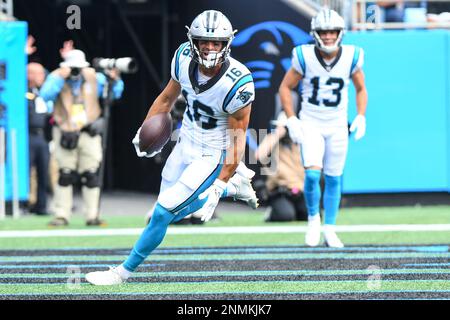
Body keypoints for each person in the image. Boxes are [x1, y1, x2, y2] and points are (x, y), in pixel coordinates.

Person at [85, 10, 258, 285]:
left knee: (163, 212)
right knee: (165, 213)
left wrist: (220, 179)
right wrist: (145, 129)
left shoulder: (238, 82)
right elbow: (166, 99)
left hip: (212, 153)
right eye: (204, 41)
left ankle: (121, 273)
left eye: (216, 43)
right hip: (185, 141)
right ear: (194, 42)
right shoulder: (183, 58)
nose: (210, 48)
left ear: (227, 43)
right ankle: (233, 189)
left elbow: (237, 138)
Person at [278, 9, 368, 248]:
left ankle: (330, 228)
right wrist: (292, 118)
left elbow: (361, 88)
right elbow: (285, 88)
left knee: (334, 178)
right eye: (323, 32)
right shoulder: (304, 56)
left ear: (340, 33)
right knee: (312, 174)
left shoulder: (352, 56)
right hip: (311, 122)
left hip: (338, 124)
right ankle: (313, 219)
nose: (328, 36)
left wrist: (360, 115)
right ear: (315, 34)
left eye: (332, 32)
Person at [39, 49, 124, 226]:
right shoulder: (57, 77)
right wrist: (60, 77)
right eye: (73, 68)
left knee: (91, 174)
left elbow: (115, 94)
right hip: (65, 131)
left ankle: (92, 215)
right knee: (65, 174)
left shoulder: (94, 78)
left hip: (89, 131)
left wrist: (115, 79)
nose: (75, 71)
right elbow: (45, 95)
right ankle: (61, 214)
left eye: (78, 68)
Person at [255, 112, 307, 222]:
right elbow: (259, 155)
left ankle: (296, 210)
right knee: (285, 216)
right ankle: (271, 212)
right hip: (280, 191)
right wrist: (278, 134)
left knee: (309, 214)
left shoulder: (300, 141)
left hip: (299, 189)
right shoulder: (273, 139)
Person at [26, 62, 52, 215]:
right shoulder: (22, 91)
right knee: (26, 171)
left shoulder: (42, 92)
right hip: (27, 135)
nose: (43, 76)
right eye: (39, 73)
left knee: (44, 172)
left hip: (42, 136)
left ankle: (41, 206)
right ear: (29, 75)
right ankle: (23, 203)